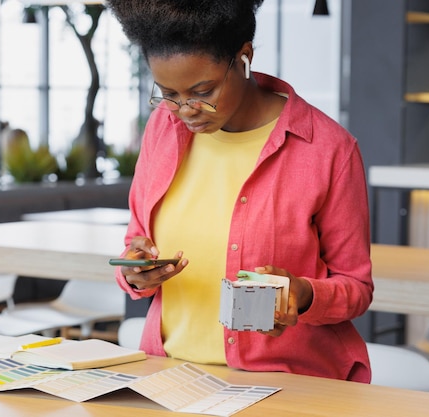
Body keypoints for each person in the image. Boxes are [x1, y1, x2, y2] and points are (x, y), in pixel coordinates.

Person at [106, 0, 373, 383]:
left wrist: (303, 294)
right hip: (170, 378)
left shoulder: (328, 149)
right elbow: (137, 240)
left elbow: (356, 288)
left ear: (243, 57)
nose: (185, 109)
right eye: (168, 93)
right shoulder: (161, 131)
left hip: (286, 385)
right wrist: (136, 272)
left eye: (203, 90)